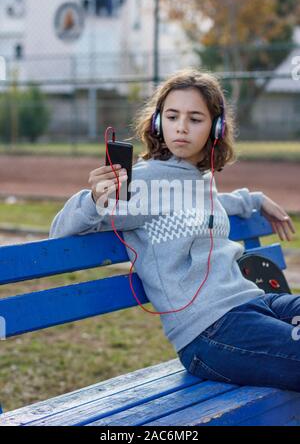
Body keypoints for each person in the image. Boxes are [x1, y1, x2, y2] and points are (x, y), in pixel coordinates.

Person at [49, 68, 299, 392]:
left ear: (216, 127)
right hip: (211, 332)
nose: (181, 127)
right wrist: (94, 198)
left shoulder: (198, 179)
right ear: (157, 123)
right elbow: (59, 229)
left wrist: (254, 199)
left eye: (195, 119)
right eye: (172, 116)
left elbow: (205, 204)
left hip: (252, 304)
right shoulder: (144, 181)